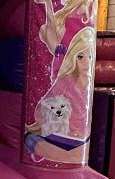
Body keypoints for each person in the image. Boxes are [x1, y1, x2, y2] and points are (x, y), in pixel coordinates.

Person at [25, 27, 95, 165]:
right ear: (73, 58)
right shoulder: (66, 82)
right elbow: (40, 112)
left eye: (90, 57)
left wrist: (79, 133)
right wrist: (55, 126)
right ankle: (63, 154)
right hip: (57, 136)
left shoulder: (89, 87)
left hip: (79, 141)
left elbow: (86, 120)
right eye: (80, 57)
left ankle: (66, 155)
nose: (86, 62)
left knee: (81, 148)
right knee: (31, 139)